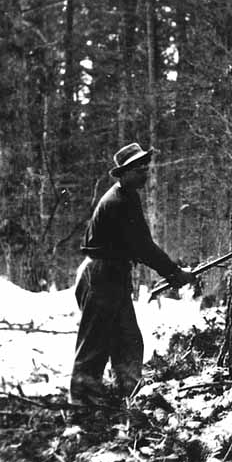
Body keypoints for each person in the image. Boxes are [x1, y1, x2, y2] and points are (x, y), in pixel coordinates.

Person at [70, 142, 196, 407]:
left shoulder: (128, 196)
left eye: (145, 167)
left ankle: (129, 391)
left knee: (127, 338)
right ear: (123, 173)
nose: (144, 173)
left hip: (112, 275)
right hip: (100, 275)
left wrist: (171, 272)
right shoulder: (118, 202)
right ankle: (82, 403)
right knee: (95, 340)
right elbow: (143, 246)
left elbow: (135, 246)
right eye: (138, 169)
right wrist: (174, 273)